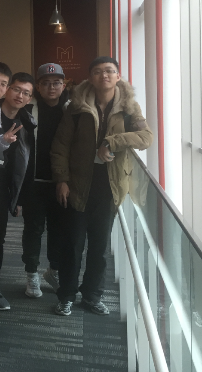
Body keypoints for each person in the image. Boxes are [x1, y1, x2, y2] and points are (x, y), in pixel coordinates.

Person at [52, 56, 153, 316]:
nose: (104, 75)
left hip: (109, 187)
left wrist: (112, 141)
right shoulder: (76, 107)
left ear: (118, 76)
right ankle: (66, 295)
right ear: (90, 77)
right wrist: (62, 180)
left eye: (109, 71)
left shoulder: (129, 107)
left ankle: (92, 295)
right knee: (72, 245)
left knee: (99, 248)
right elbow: (61, 146)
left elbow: (145, 138)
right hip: (78, 185)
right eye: (97, 71)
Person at [0, 72, 36, 311]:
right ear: (7, 90)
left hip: (2, 186)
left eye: (26, 93)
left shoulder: (27, 122)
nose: (20, 95)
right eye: (16, 89)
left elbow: (27, 163)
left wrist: (19, 197)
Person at [21, 63, 69, 298]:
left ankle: (54, 270)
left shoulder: (72, 110)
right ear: (38, 86)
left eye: (56, 83)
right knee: (33, 230)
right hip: (34, 182)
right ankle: (31, 274)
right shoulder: (27, 109)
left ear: (64, 85)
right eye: (46, 83)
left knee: (59, 231)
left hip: (62, 182)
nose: (51, 87)